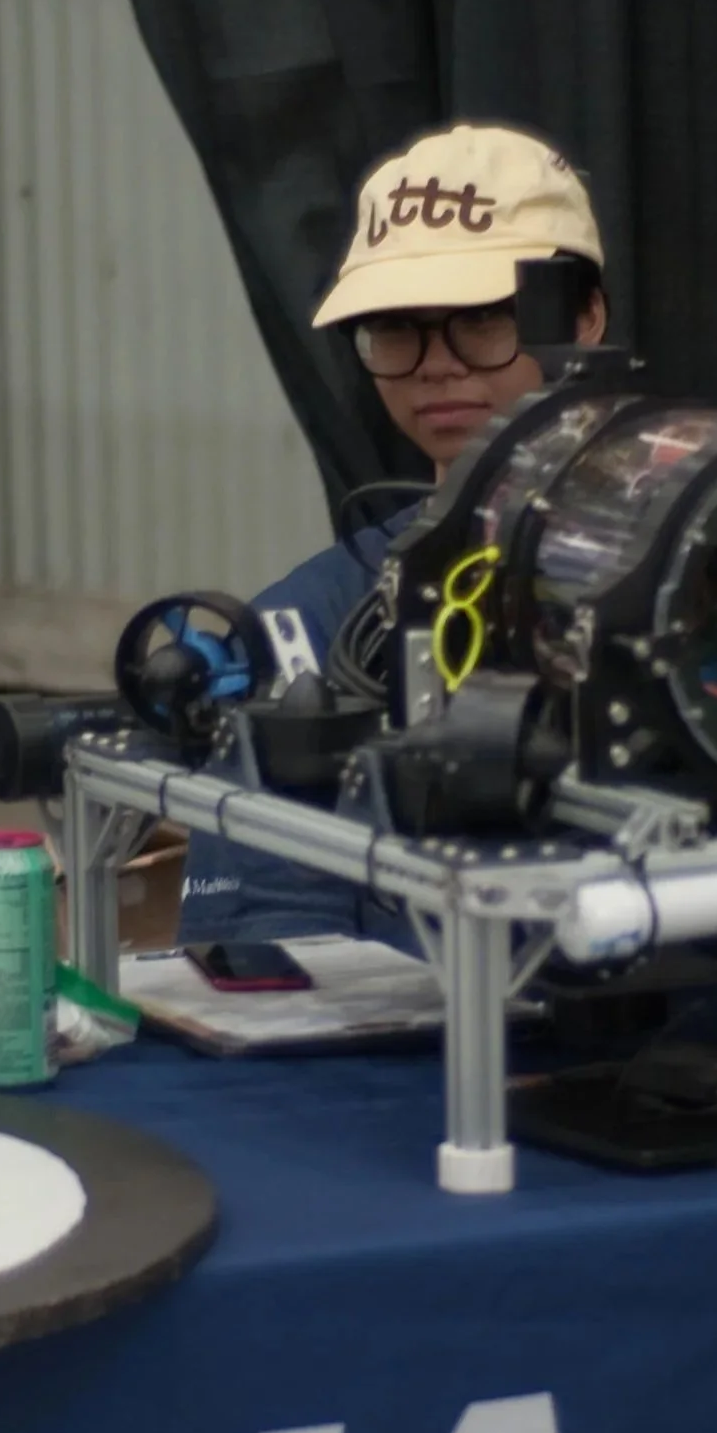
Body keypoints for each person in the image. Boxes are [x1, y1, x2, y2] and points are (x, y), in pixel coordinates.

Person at [177, 122, 609, 946]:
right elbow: (265, 953)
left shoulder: (706, 577)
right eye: (397, 327)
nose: (437, 364)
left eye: (482, 319)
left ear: (585, 317)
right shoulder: (302, 627)